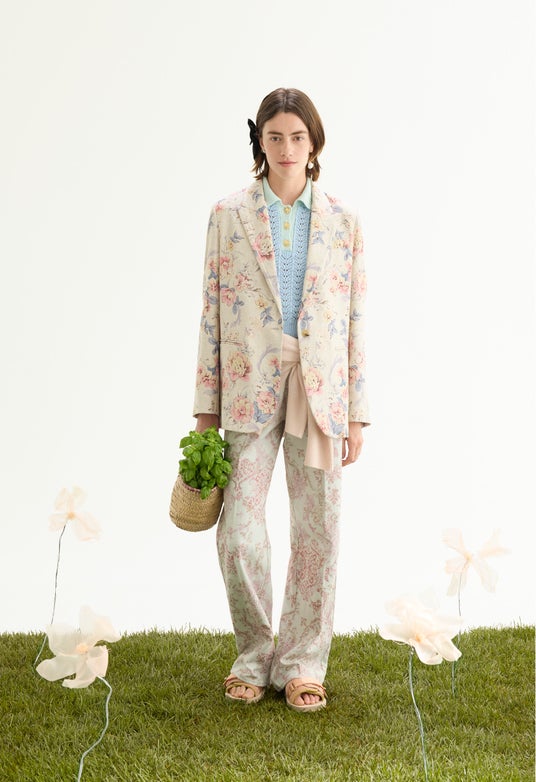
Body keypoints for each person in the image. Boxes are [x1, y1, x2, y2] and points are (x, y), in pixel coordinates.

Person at [192, 87, 370, 712]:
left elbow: (355, 319)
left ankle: (302, 663)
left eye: (298, 137)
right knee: (238, 532)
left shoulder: (344, 221)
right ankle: (254, 653)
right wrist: (205, 412)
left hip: (322, 395)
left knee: (318, 531)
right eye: (275, 137)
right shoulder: (228, 215)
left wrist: (357, 413)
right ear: (260, 142)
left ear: (314, 143)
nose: (287, 148)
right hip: (247, 388)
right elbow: (211, 314)